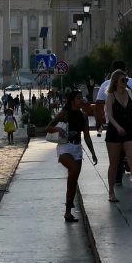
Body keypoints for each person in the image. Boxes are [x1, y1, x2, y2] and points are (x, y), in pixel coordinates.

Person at [47, 89, 98, 222]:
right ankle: (69, 205)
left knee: (73, 182)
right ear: (72, 101)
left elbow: (87, 136)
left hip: (77, 148)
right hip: (65, 147)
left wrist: (93, 153)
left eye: (81, 98)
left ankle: (68, 212)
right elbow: (49, 127)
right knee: (74, 170)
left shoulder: (84, 116)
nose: (81, 100)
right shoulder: (64, 113)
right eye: (78, 98)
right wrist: (58, 128)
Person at [98, 60, 132, 184]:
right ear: (125, 69)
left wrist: (100, 121)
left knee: (117, 153)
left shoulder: (105, 85)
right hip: (130, 124)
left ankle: (118, 177)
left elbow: (98, 103)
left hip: (114, 125)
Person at [104, 70, 132, 203]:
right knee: (114, 164)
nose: (126, 82)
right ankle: (111, 192)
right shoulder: (111, 95)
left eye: (126, 80)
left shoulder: (130, 93)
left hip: (130, 131)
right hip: (114, 131)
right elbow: (109, 115)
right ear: (116, 82)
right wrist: (118, 127)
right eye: (123, 80)